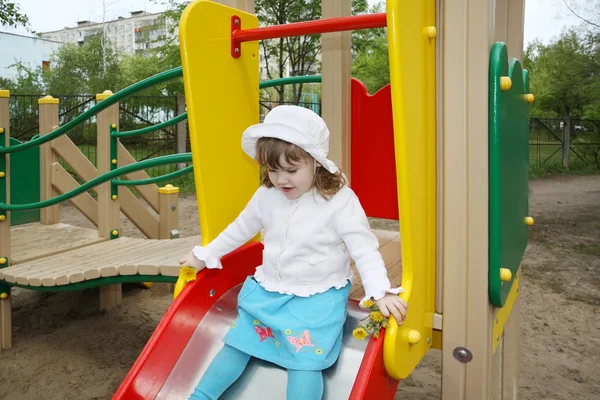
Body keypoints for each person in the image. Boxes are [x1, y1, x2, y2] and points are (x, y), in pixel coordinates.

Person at [179, 105, 407, 400]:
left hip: (316, 299)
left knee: (306, 364)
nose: (281, 179)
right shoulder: (268, 195)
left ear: (315, 162)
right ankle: (200, 397)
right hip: (270, 293)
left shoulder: (339, 201)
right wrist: (205, 254)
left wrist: (380, 291)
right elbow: (240, 227)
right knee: (236, 345)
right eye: (273, 170)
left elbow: (363, 248)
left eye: (291, 170)